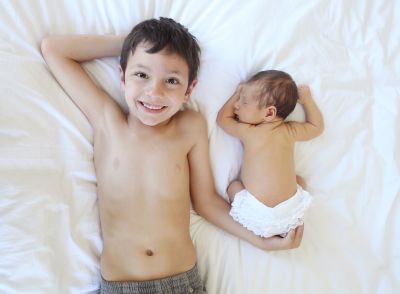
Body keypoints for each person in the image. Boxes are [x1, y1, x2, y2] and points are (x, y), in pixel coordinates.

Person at [41, 18, 303, 294]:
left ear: (189, 90)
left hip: (181, 284)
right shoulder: (108, 121)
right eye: (141, 74)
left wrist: (260, 240)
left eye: (172, 80)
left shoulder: (190, 126)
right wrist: (133, 43)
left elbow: (206, 202)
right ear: (122, 76)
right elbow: (54, 49)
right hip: (121, 286)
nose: (154, 92)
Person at [217, 70, 324, 238]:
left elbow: (222, 119)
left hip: (255, 213)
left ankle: (265, 230)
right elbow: (316, 127)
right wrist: (307, 101)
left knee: (233, 187)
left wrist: (236, 92)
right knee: (299, 181)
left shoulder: (249, 132)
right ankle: (281, 231)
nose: (237, 105)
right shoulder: (290, 131)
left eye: (243, 102)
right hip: (289, 212)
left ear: (269, 113)